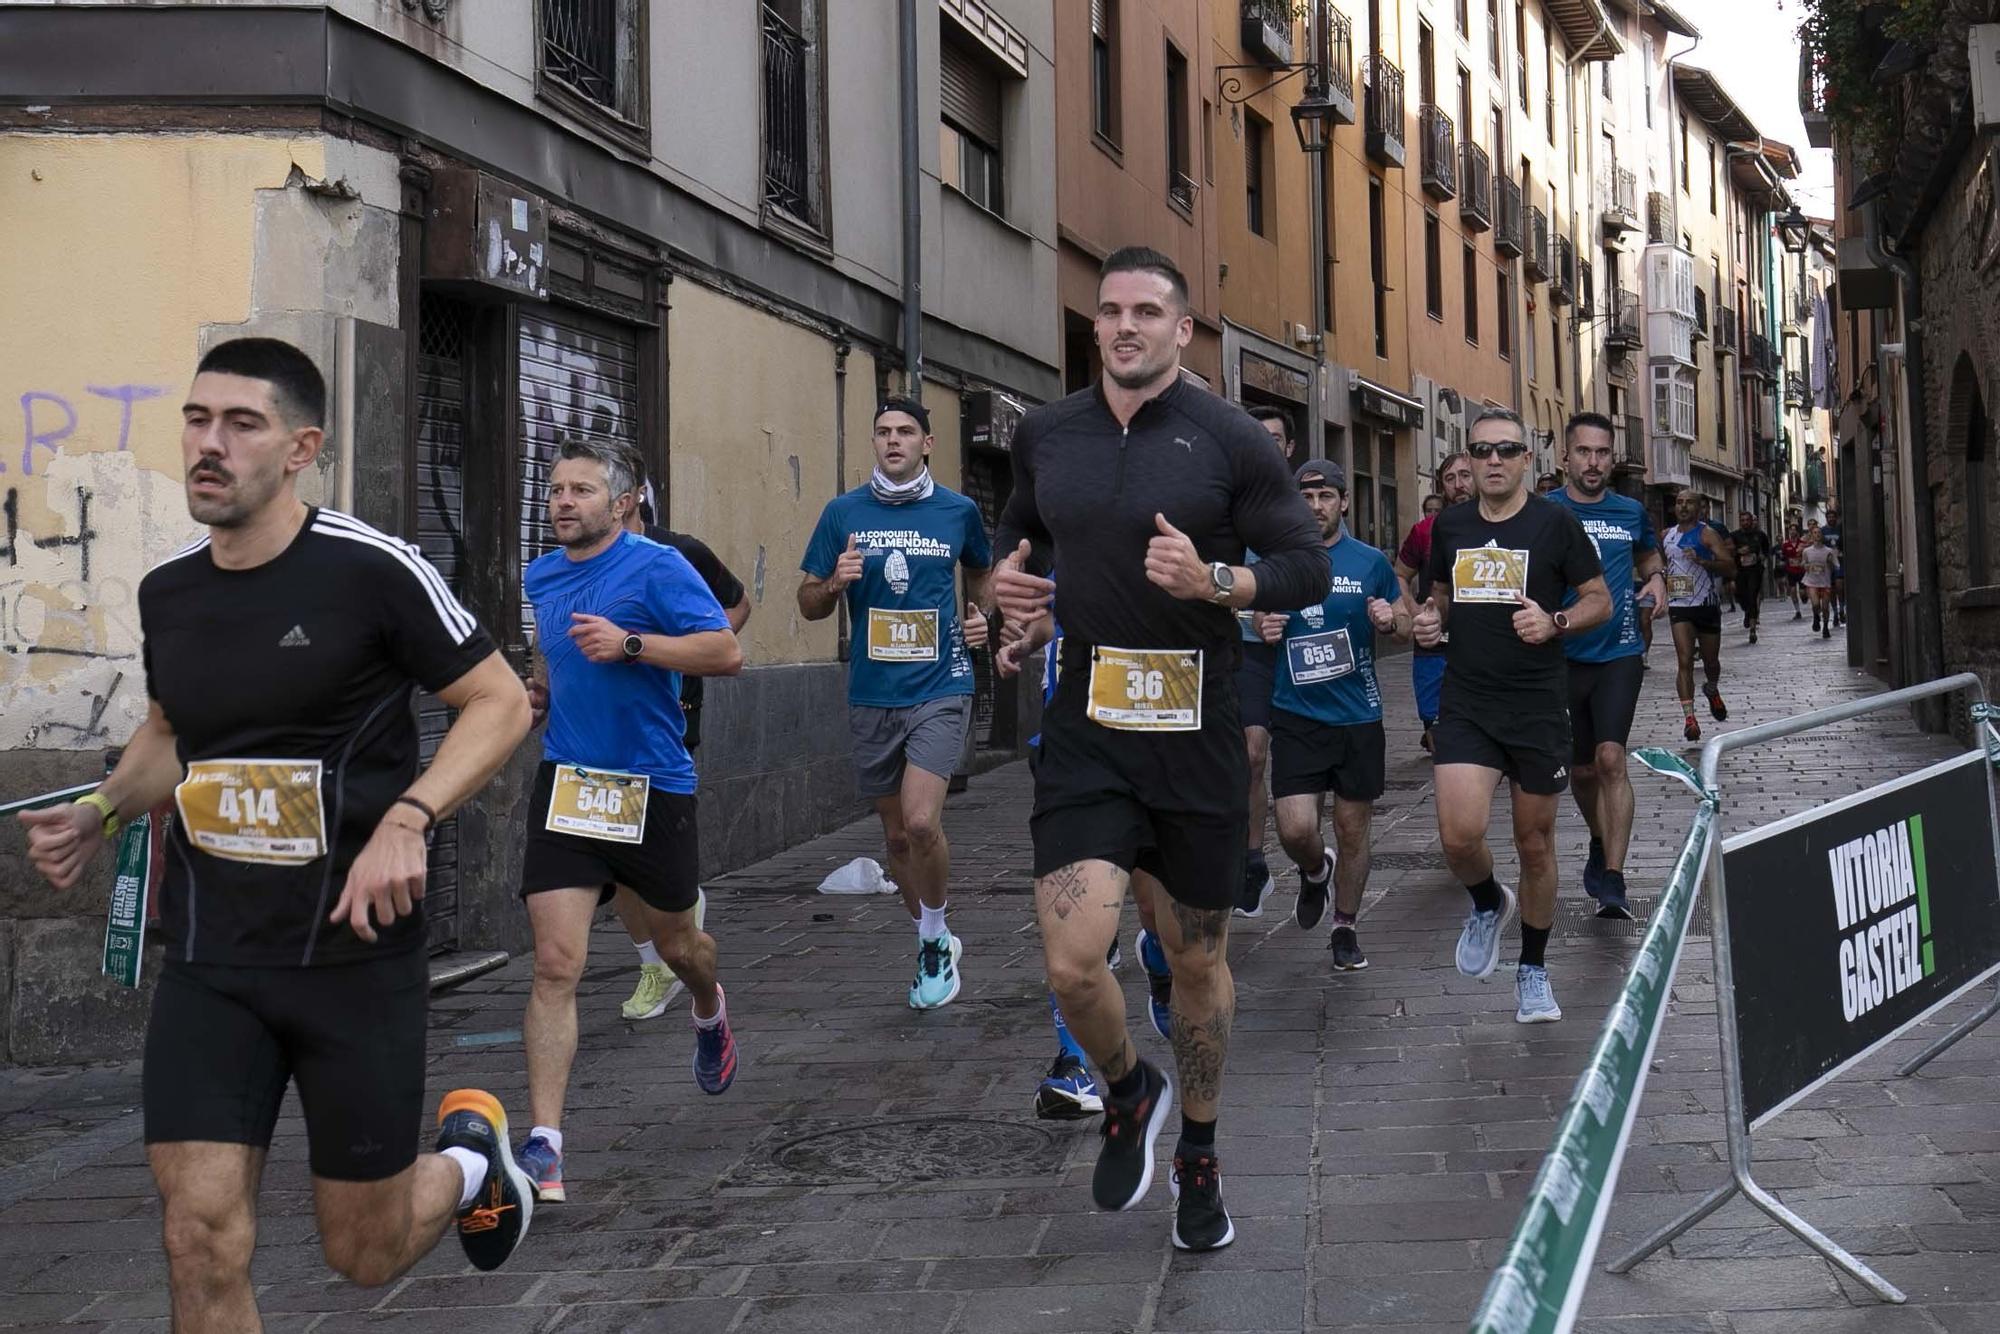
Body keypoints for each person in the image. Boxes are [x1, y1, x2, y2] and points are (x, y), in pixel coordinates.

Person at [18, 338, 538, 1326]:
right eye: (196, 419)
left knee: (364, 1251)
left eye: (241, 424)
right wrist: (99, 810)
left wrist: (409, 816)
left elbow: (500, 701)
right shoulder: (170, 592)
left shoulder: (372, 570)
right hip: (212, 961)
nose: (208, 444)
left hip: (353, 960)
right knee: (198, 1233)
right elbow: (171, 734)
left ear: (302, 448)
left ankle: (471, 1164)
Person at [992, 245, 1329, 1251]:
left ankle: (1199, 1152)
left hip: (1195, 729)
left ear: (1183, 330)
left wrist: (1217, 583)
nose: (1124, 326)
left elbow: (1303, 565)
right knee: (1071, 962)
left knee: (1193, 957)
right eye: (1110, 311)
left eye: (1146, 311)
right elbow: (1022, 544)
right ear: (1093, 323)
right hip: (1089, 726)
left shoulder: (1230, 438)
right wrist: (1012, 600)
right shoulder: (1047, 434)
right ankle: (1129, 1088)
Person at [516, 438, 744, 1204]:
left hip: (652, 785)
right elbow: (549, 650)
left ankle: (709, 1009)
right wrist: (540, 692)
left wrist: (633, 645)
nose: (562, 501)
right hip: (570, 784)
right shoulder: (541, 574)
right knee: (556, 964)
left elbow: (726, 652)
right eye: (555, 488)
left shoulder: (658, 566)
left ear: (620, 503)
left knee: (681, 949)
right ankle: (545, 1145)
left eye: (580, 490)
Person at [1413, 407, 1610, 1026]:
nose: (1492, 460)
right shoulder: (1450, 525)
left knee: (1534, 843)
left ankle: (1533, 968)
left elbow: (1600, 600)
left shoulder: (1555, 524)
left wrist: (1555, 621)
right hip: (1468, 701)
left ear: (1528, 460)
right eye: (1481, 450)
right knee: (1458, 836)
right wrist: (1428, 621)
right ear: (1467, 461)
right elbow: (1439, 598)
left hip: (1536, 705)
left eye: (1505, 450)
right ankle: (1485, 902)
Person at [799, 398, 994, 1008]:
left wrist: (983, 616)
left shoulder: (959, 511)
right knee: (896, 839)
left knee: (920, 821)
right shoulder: (843, 513)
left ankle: (933, 940)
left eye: (905, 432)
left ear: (927, 443)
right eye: (883, 431)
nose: (893, 441)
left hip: (941, 685)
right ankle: (931, 933)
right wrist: (835, 583)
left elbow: (982, 572)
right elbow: (807, 602)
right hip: (873, 691)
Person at [579, 449, 753, 1023]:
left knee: (635, 842)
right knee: (618, 852)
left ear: (630, 496)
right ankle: (654, 958)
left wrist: (679, 655)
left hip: (666, 717)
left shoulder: (678, 553)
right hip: (595, 727)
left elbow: (736, 608)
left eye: (592, 487)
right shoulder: (578, 559)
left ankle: (672, 927)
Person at [999, 603, 1176, 1120]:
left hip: (1151, 741)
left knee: (1149, 902)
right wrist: (1025, 637)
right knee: (1072, 935)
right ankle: (1072, 1062)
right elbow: (1050, 614)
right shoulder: (1057, 552)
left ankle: (1159, 958)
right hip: (1070, 753)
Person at [1255, 459, 1411, 970]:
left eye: (1326, 497)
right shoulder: (1278, 561)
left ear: (1344, 502)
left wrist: (1390, 620)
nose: (1316, 506)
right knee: (1295, 829)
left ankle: (1345, 926)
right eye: (1306, 497)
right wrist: (1263, 624)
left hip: (1357, 716)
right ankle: (1315, 870)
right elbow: (1253, 613)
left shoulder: (1370, 562)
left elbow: (1406, 624)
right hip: (1295, 714)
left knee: (1351, 827)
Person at [1546, 414, 1665, 922]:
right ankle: (1599, 839)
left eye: (1602, 453)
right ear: (1565, 458)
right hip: (1561, 657)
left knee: (1611, 758)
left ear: (1612, 460)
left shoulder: (1630, 511)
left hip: (1619, 652)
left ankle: (1614, 877)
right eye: (1584, 452)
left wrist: (1656, 579)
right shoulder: (1546, 512)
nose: (1593, 462)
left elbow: (1648, 557)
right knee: (1581, 769)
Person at [1234, 404, 1297, 916]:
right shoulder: (1224, 502)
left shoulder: (1307, 503)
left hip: (1302, 652)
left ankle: (1310, 855)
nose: (1264, 445)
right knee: (1251, 753)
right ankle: (1252, 858)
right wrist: (1250, 613)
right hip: (1245, 651)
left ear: (1288, 448)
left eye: (1273, 438)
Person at [1394, 452, 1475, 755]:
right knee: (1437, 731)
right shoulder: (1425, 530)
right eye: (1450, 478)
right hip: (1434, 646)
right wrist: (1413, 611)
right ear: (1442, 485)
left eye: (1465, 475)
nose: (1459, 484)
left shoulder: (1498, 524)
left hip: (1481, 647)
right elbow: (1399, 575)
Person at [1664, 490, 1736, 742]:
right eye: (1679, 502)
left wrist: (1705, 562)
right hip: (1679, 605)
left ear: (1699, 508)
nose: (1683, 507)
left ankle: (1712, 688)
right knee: (1684, 660)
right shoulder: (1666, 535)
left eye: (1689, 503)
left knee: (1710, 662)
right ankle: (1690, 719)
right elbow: (1658, 563)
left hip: (1706, 604)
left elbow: (1730, 566)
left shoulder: (1707, 534)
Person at [1730, 511, 1772, 644]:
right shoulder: (1734, 536)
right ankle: (1747, 611)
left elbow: (1766, 549)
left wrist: (1763, 556)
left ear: (1751, 521)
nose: (1745, 523)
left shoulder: (1760, 535)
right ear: (1740, 522)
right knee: (1741, 596)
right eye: (1742, 520)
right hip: (1740, 571)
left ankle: (1752, 631)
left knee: (1753, 595)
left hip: (1755, 570)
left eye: (1747, 520)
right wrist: (1738, 551)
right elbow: (1728, 551)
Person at [1801, 522, 1837, 638]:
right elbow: (1803, 563)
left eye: (1819, 533)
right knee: (1816, 604)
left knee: (1825, 607)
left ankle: (1825, 627)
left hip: (1825, 582)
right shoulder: (1807, 551)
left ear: (1822, 535)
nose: (1817, 535)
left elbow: (1835, 566)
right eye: (1815, 533)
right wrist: (1806, 566)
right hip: (1812, 582)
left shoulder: (1829, 551)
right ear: (1812, 535)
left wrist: (1830, 562)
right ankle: (1816, 616)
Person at [1821, 505, 1846, 628]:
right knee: (1831, 590)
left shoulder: (1841, 529)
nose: (1831, 519)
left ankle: (1842, 609)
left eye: (1833, 517)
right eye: (1829, 517)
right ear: (1826, 519)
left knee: (1840, 586)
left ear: (1836, 518)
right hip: (1828, 564)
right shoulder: (1823, 531)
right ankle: (1835, 613)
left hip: (1839, 562)